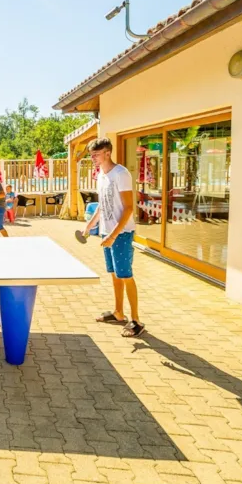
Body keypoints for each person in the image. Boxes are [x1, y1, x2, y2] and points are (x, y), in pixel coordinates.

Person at [83, 138, 144, 337]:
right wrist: (90, 225)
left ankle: (136, 321)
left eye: (96, 154)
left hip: (121, 234)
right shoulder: (101, 175)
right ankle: (118, 312)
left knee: (126, 275)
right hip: (106, 233)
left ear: (108, 153)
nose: (93, 158)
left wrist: (113, 235)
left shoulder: (121, 174)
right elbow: (103, 205)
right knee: (115, 274)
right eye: (91, 155)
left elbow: (128, 208)